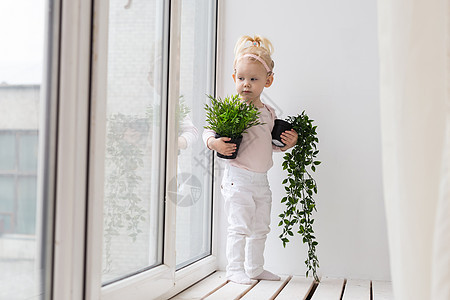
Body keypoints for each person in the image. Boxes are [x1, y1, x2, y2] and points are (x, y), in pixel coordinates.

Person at [202, 35, 298, 284]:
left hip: (261, 180)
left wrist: (287, 144)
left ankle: (255, 267)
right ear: (234, 77)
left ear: (268, 81)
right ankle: (235, 268)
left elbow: (268, 145)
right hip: (239, 177)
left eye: (253, 79)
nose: (246, 84)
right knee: (239, 226)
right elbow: (208, 131)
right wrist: (213, 143)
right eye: (241, 78)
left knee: (260, 226)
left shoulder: (269, 113)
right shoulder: (233, 109)